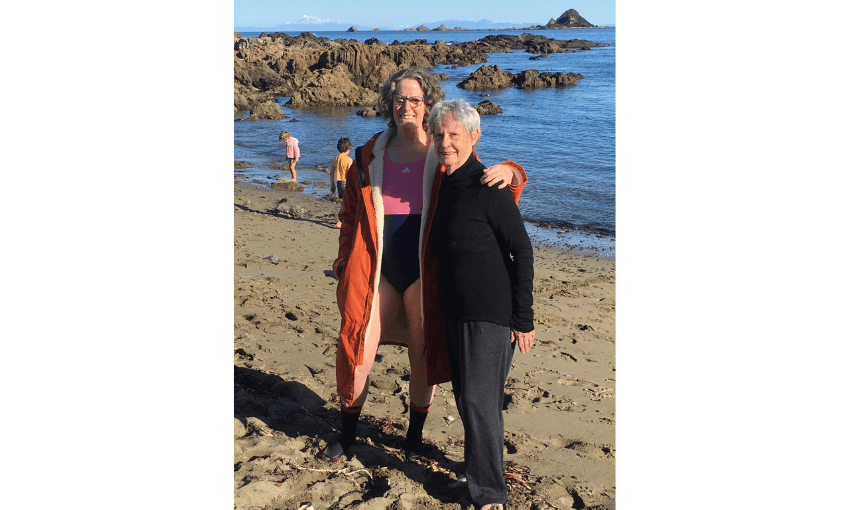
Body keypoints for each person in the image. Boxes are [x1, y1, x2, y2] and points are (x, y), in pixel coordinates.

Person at [324, 66, 528, 464]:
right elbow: (349, 215)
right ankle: (347, 435)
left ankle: (413, 439)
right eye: (399, 98)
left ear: (427, 104)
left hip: (424, 273)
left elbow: (485, 182)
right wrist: (344, 259)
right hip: (377, 270)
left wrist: (513, 170)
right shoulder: (368, 156)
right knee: (358, 352)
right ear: (391, 102)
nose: (406, 106)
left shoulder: (443, 154)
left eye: (415, 99)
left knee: (423, 354)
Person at [426, 98, 535, 510]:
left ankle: (490, 494)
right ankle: (478, 474)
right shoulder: (444, 183)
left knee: (478, 400)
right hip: (455, 310)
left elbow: (522, 251)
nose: (446, 142)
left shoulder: (488, 186)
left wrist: (523, 319)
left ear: (474, 136)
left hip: (490, 312)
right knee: (468, 398)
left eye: (454, 134)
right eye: (440, 134)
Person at [330, 138, 352, 228]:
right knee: (348, 203)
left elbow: (332, 173)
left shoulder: (336, 158)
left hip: (339, 182)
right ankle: (340, 221)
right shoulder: (348, 159)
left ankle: (343, 220)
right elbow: (351, 174)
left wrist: (332, 184)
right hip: (347, 182)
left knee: (344, 203)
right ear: (347, 149)